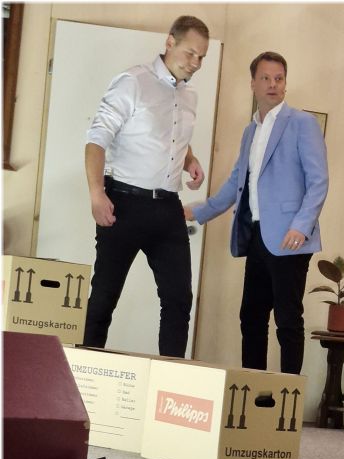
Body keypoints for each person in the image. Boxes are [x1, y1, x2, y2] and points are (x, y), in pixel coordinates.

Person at [184, 51, 329, 374]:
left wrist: (301, 226)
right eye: (265, 78)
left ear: (285, 83)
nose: (272, 84)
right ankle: (256, 391)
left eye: (279, 78)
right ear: (253, 83)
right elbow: (237, 181)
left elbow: (319, 181)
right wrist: (199, 211)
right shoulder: (251, 131)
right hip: (257, 235)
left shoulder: (302, 123)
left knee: (287, 320)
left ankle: (288, 391)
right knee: (251, 317)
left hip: (291, 237)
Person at [83, 16, 209, 358]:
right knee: (104, 298)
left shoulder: (190, 96)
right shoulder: (133, 82)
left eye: (201, 57)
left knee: (179, 300)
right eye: (190, 53)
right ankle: (82, 379)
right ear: (169, 42)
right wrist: (96, 193)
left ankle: (170, 377)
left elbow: (171, 138)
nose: (195, 63)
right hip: (123, 203)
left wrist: (190, 160)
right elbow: (97, 140)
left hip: (167, 207)